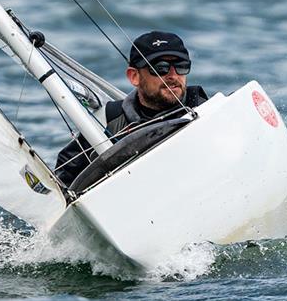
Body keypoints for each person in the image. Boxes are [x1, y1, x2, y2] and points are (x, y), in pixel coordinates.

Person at [55, 31, 208, 187]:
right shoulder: (108, 120)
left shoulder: (207, 111)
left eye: (181, 66)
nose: (173, 76)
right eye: (161, 68)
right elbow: (63, 181)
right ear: (134, 76)